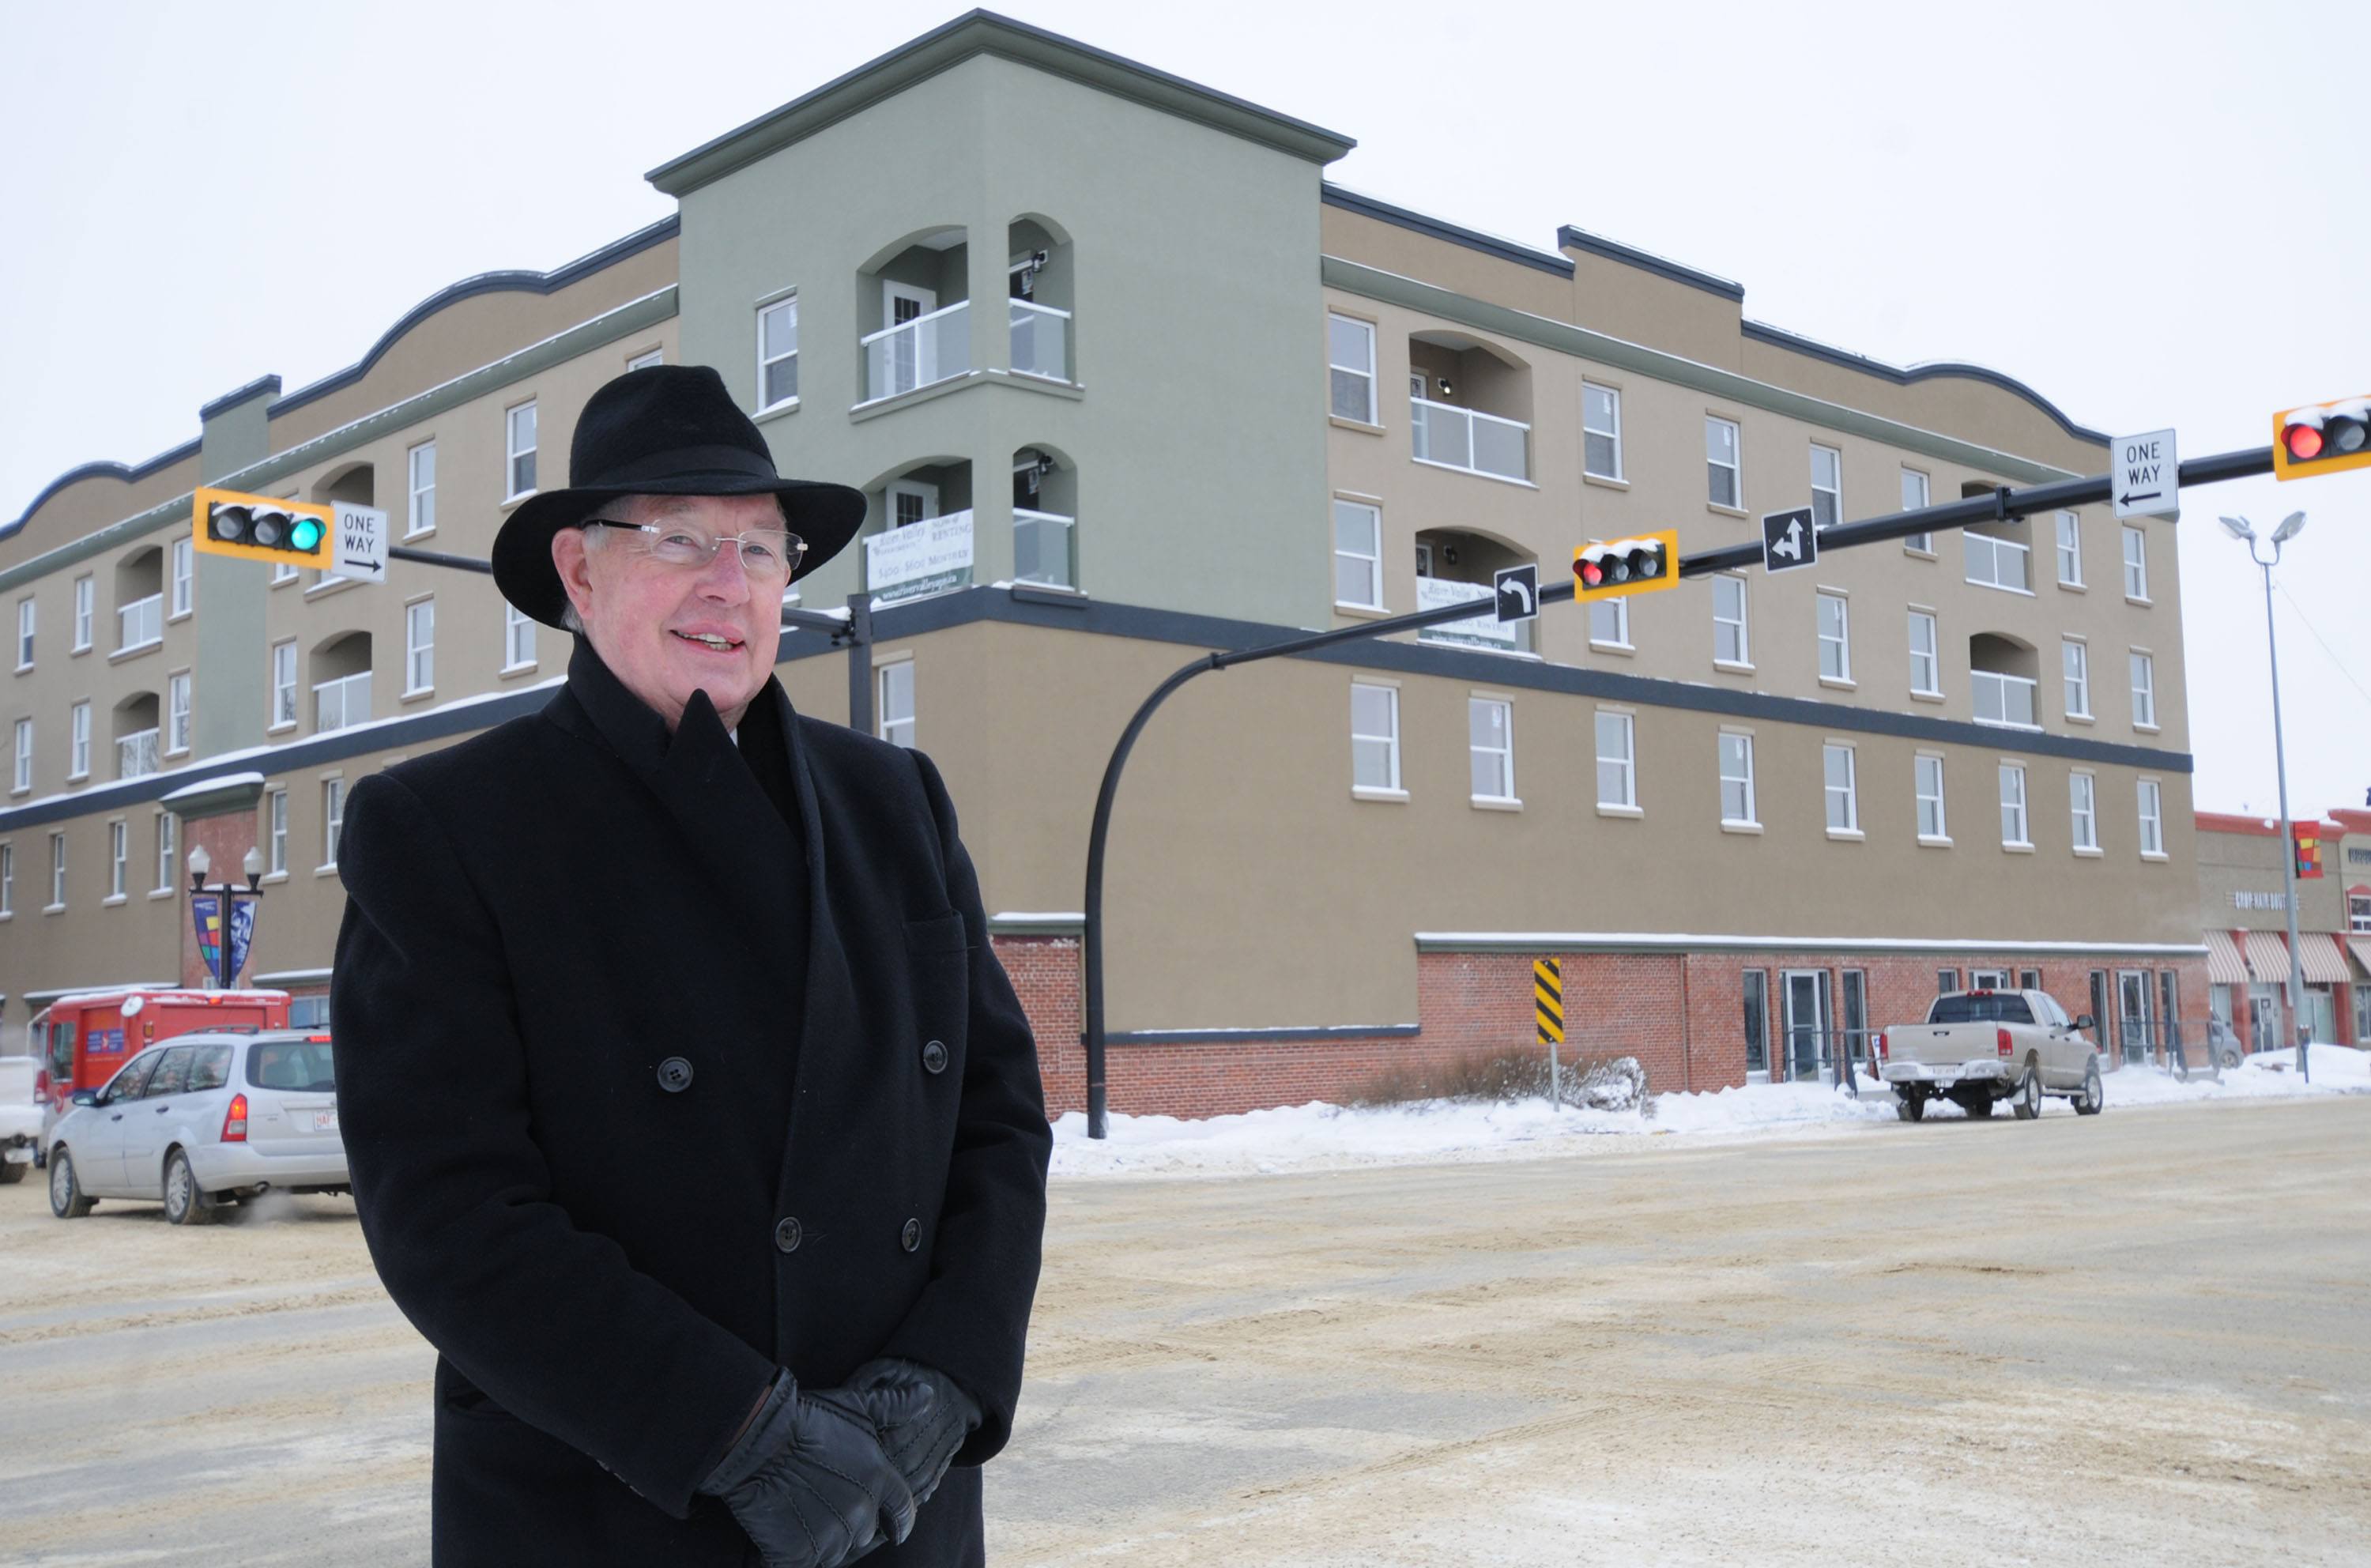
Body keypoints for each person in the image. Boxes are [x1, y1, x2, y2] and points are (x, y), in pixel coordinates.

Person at [332, 365, 1053, 1566]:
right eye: (681, 539)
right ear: (579, 569)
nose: (730, 585)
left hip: (892, 1501)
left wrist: (949, 1380)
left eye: (763, 550)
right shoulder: (445, 826)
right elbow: (449, 1215)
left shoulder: (896, 802)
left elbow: (997, 1120)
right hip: (616, 1502)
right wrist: (740, 1435)